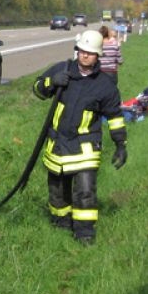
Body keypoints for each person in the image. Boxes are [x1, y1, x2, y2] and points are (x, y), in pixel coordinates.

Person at [33, 30, 127, 245]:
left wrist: (121, 144)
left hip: (85, 145)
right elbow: (37, 89)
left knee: (85, 191)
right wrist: (51, 82)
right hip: (58, 144)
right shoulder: (62, 69)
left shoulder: (105, 85)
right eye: (82, 50)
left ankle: (85, 233)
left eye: (90, 52)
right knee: (57, 191)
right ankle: (61, 223)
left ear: (98, 55)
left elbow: (115, 117)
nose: (85, 55)